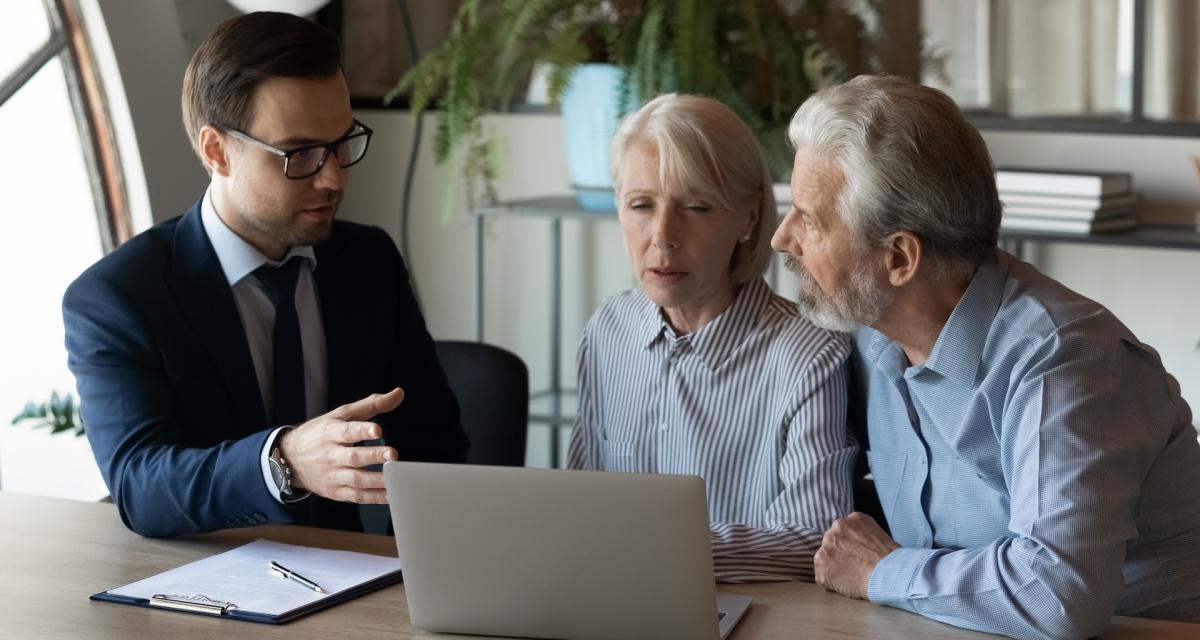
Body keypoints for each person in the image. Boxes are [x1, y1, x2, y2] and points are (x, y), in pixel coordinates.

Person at [771, 74, 1200, 638]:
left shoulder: (1065, 360)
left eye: (811, 220)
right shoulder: (871, 334)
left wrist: (883, 570)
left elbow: (1057, 594)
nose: (782, 238)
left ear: (899, 258)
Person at [63, 12, 468, 538]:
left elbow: (435, 444)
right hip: (200, 593)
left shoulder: (369, 262)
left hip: (354, 585)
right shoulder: (119, 297)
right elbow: (140, 485)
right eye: (299, 153)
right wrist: (283, 460)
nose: (333, 177)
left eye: (342, 142)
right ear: (217, 151)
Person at [568, 93, 856, 582]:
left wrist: (655, 552)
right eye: (641, 205)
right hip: (607, 601)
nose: (662, 236)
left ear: (748, 218)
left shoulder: (808, 355)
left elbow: (815, 539)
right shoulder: (607, 331)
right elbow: (577, 508)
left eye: (696, 207)